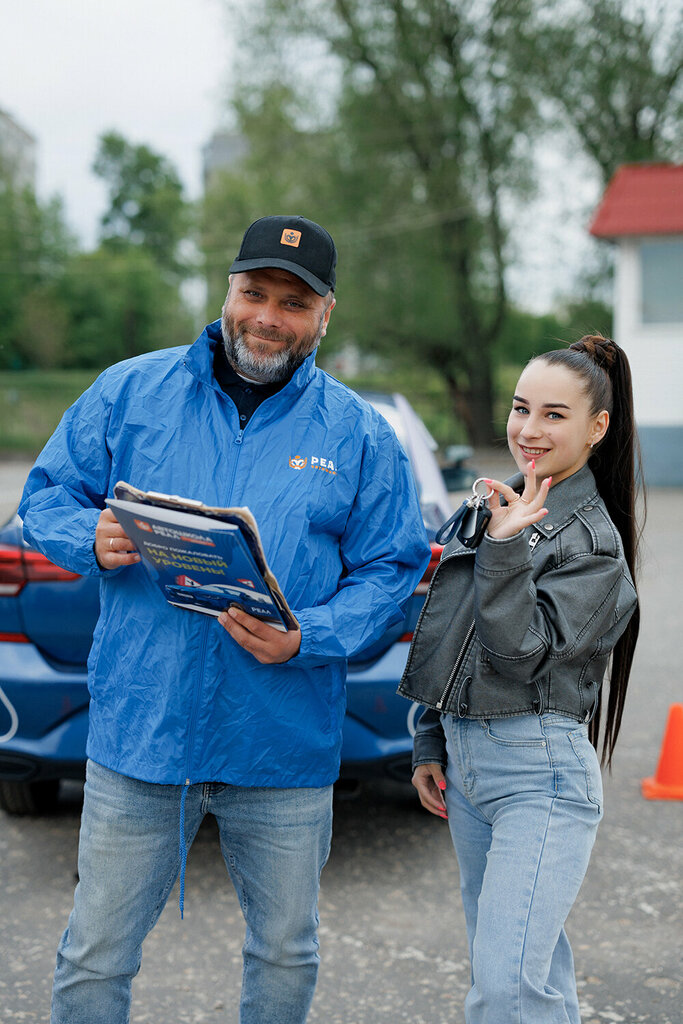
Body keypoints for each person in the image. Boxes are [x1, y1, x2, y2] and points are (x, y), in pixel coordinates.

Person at [19, 214, 430, 1024]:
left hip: (280, 745)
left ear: (325, 314)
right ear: (227, 291)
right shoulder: (131, 391)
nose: (268, 317)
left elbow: (392, 568)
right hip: (142, 734)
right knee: (93, 955)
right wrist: (90, 537)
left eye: (293, 302)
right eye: (253, 292)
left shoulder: (358, 433)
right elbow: (44, 500)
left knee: (284, 953)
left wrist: (309, 635)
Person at [398, 335, 642, 1024]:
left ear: (597, 427)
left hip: (538, 774)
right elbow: (449, 628)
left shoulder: (592, 545)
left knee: (504, 990)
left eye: (553, 415)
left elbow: (517, 655)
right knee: (526, 973)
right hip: (468, 768)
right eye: (519, 408)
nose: (528, 430)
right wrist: (428, 739)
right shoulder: (496, 502)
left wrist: (503, 551)